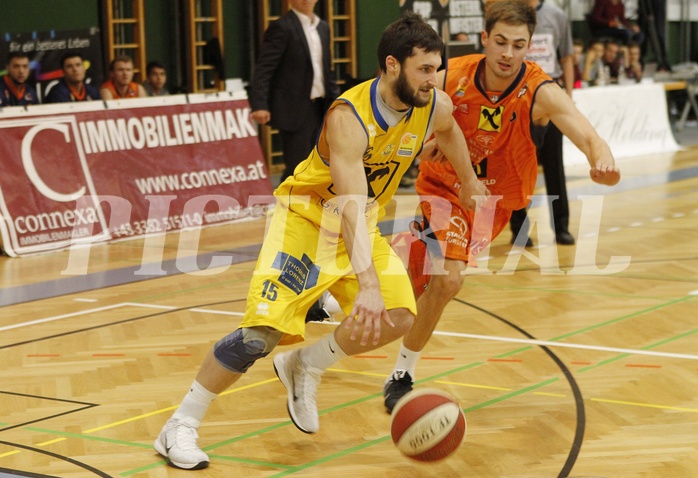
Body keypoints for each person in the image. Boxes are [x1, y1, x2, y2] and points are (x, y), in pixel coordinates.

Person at [154, 11, 488, 470]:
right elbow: (348, 206)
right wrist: (366, 284)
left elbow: (449, 133)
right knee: (259, 336)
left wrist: (469, 182)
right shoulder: (349, 118)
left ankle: (307, 364)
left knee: (398, 316)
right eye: (424, 69)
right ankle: (179, 426)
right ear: (393, 65)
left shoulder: (434, 104)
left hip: (360, 221)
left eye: (437, 68)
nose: (434, 79)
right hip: (308, 219)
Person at [382, 0, 621, 413]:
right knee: (447, 281)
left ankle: (335, 300)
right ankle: (402, 373)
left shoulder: (540, 91)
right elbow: (399, 101)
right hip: (444, 187)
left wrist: (602, 159)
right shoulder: (451, 75)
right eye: (500, 42)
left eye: (518, 44)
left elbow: (587, 134)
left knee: (419, 276)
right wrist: (426, 138)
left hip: (494, 205)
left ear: (530, 46)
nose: (508, 53)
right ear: (484, 40)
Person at [509, 0, 576, 247]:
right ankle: (518, 229)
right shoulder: (510, 14)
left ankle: (561, 227)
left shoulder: (556, 15)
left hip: (550, 98)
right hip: (519, 98)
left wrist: (568, 96)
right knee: (517, 168)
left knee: (554, 166)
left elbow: (567, 57)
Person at [248, 0, 340, 182]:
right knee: (298, 166)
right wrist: (259, 104)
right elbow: (264, 69)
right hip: (294, 108)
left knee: (320, 164)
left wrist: (337, 102)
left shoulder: (323, 28)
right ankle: (287, 205)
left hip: (321, 106)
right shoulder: (282, 28)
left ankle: (306, 206)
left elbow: (326, 69)